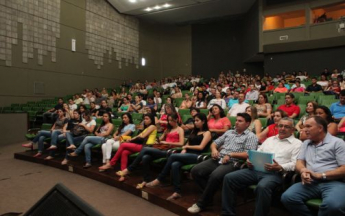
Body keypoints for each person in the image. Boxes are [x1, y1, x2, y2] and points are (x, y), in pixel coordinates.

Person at [222, 117, 302, 216]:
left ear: (293, 129)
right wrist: (250, 160)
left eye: (286, 127)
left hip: (275, 174)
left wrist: (280, 167)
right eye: (280, 126)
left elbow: (295, 164)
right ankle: (228, 212)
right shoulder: (270, 140)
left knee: (262, 187)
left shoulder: (297, 144)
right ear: (277, 127)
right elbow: (257, 153)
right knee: (229, 178)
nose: (282, 128)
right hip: (256, 169)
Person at [187, 113, 258, 214]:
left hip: (233, 162)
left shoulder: (251, 136)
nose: (236, 122)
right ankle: (208, 197)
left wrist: (231, 154)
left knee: (215, 175)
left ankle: (201, 203)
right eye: (236, 120)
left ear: (247, 123)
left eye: (240, 121)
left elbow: (249, 153)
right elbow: (214, 143)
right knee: (195, 170)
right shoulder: (229, 132)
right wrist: (213, 150)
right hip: (218, 158)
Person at [281, 116, 345, 216]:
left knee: (333, 206)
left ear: (320, 128)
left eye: (308, 126)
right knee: (288, 197)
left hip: (333, 182)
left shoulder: (338, 143)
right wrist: (303, 171)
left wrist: (321, 175)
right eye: (303, 126)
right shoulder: (306, 143)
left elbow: (344, 168)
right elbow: (299, 162)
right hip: (310, 182)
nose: (303, 129)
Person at [145, 113, 212, 200]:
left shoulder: (207, 133)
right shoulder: (194, 132)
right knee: (175, 164)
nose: (195, 122)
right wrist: (184, 149)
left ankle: (159, 179)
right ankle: (177, 191)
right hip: (187, 154)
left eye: (197, 121)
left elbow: (201, 147)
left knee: (173, 156)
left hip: (198, 156)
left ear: (203, 121)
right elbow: (187, 144)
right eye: (194, 120)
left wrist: (186, 147)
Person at [119, 113, 185, 189]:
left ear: (176, 120)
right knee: (145, 157)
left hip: (170, 151)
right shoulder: (168, 129)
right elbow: (160, 139)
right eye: (168, 120)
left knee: (145, 149)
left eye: (171, 120)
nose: (169, 122)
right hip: (162, 149)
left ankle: (130, 168)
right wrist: (157, 141)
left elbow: (181, 143)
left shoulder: (180, 130)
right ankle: (145, 180)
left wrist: (167, 142)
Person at [99, 114, 157, 179]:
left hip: (147, 147)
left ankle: (111, 163)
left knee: (123, 145)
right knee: (125, 152)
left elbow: (142, 136)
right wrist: (131, 139)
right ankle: (123, 173)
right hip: (143, 146)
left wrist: (132, 139)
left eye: (147, 119)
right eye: (144, 119)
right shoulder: (147, 128)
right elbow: (139, 135)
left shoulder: (152, 126)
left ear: (151, 120)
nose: (145, 120)